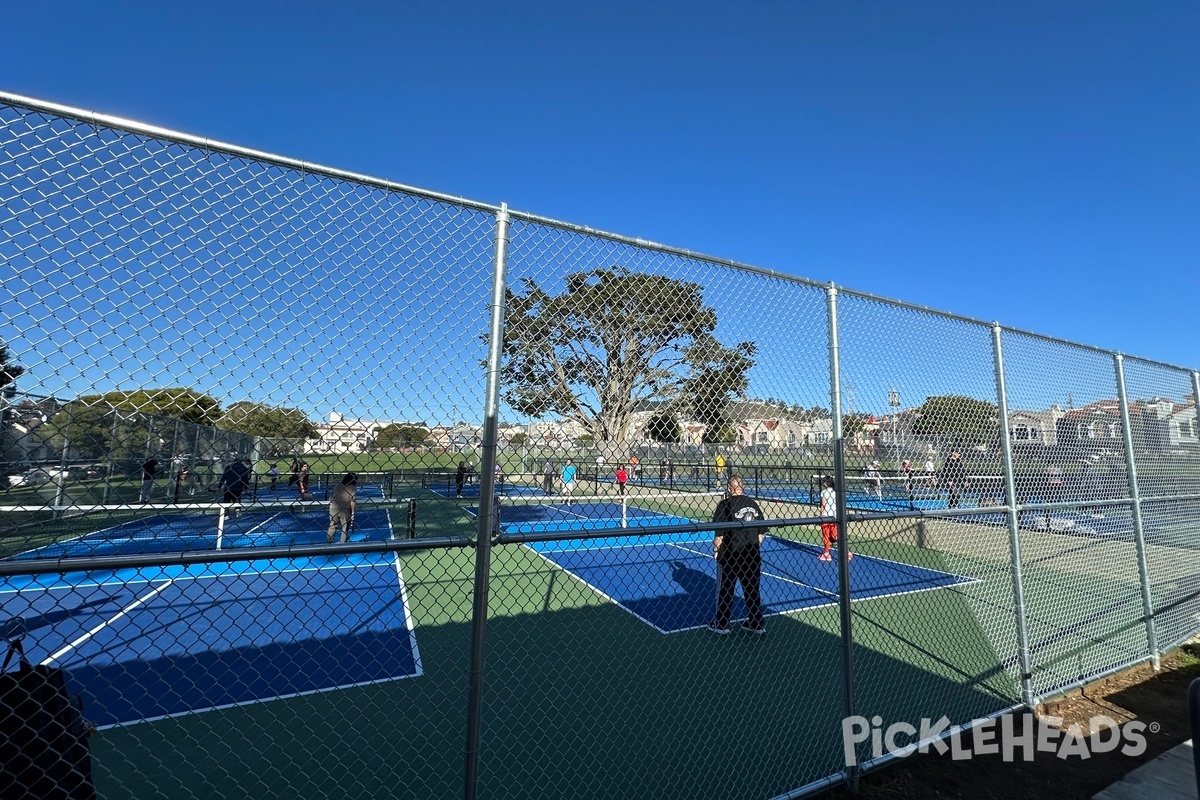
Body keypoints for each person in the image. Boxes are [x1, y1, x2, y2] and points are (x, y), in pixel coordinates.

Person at [708, 476, 768, 635]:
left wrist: (715, 550)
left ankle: (721, 623)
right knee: (752, 590)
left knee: (726, 589)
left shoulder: (724, 505)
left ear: (729, 488)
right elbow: (762, 533)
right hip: (752, 556)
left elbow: (719, 535)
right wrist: (752, 544)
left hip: (731, 556)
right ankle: (756, 623)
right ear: (742, 487)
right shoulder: (753, 504)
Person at [817, 475, 851, 562]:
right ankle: (846, 552)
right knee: (836, 535)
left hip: (826, 516)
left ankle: (827, 554)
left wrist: (821, 514)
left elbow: (823, 505)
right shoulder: (836, 492)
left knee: (826, 536)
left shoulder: (824, 492)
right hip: (835, 516)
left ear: (825, 483)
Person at [326, 472, 357, 543]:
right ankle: (343, 543)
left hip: (333, 508)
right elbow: (352, 500)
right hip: (345, 509)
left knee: (332, 525)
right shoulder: (353, 487)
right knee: (345, 527)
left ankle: (328, 541)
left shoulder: (337, 485)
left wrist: (331, 504)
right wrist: (353, 512)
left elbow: (331, 497)